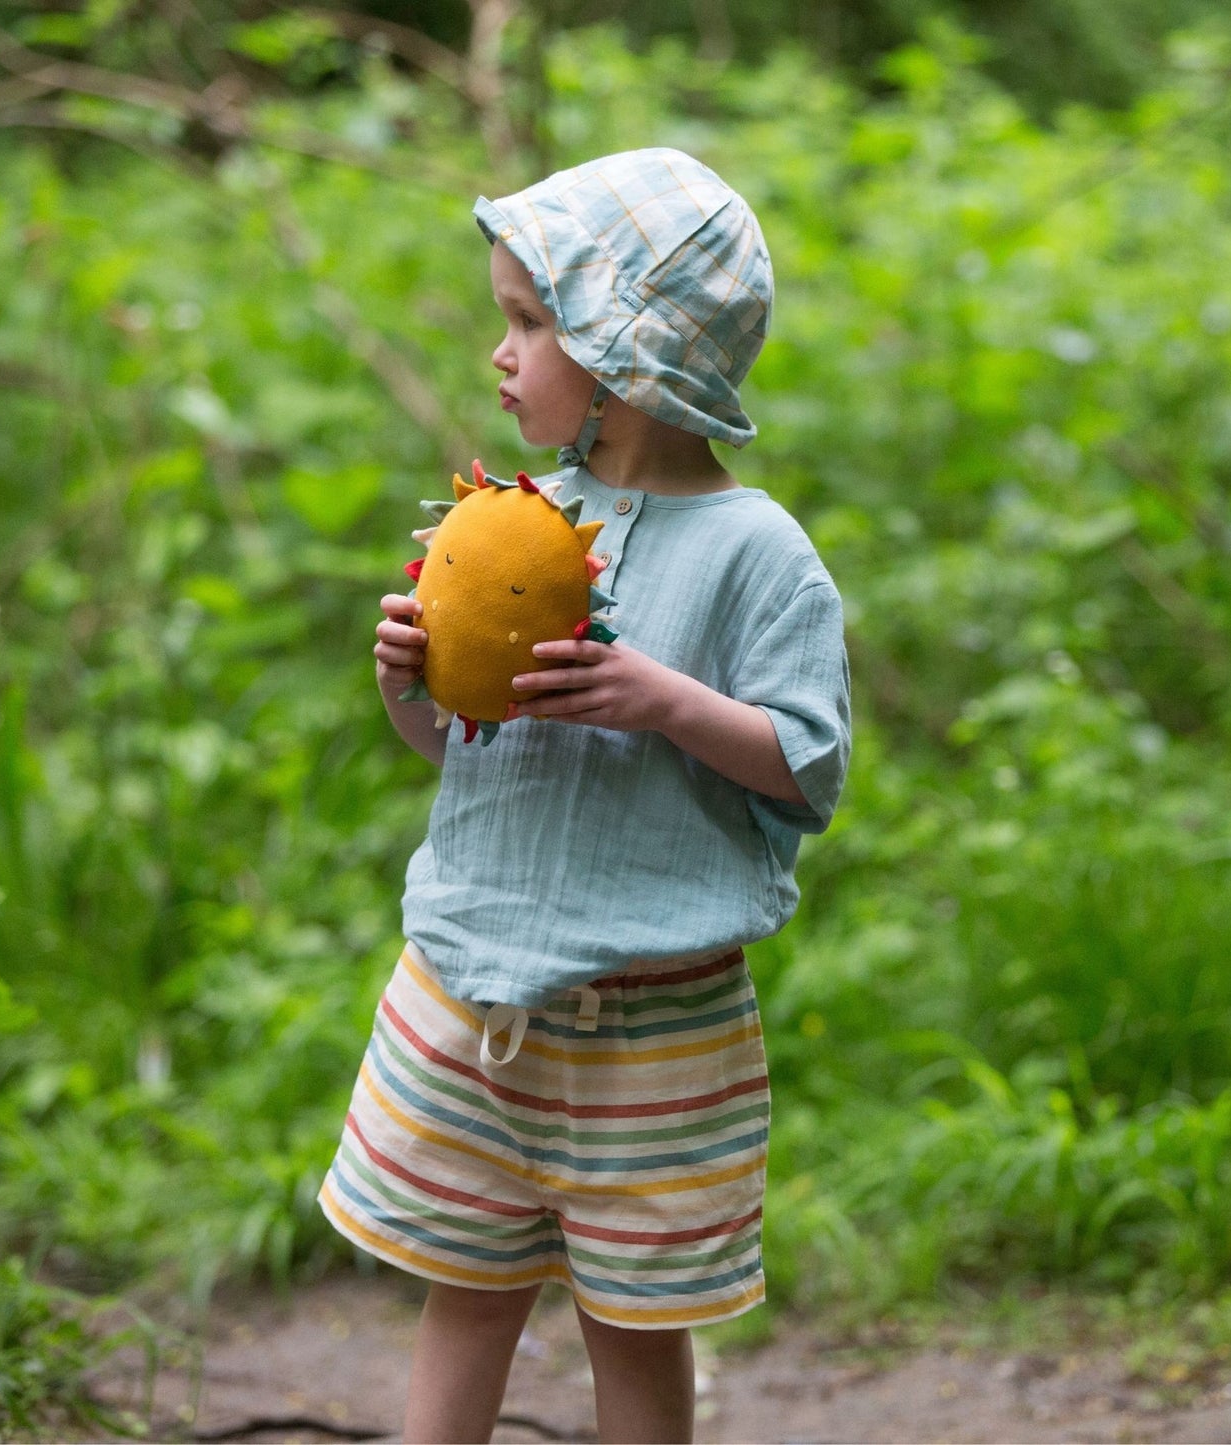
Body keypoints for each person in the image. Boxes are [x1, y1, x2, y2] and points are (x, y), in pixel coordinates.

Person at [319, 147, 850, 1444]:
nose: (499, 354)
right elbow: (475, 758)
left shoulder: (758, 555)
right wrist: (409, 687)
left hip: (654, 1032)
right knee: (465, 1289)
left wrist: (663, 699)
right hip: (471, 987)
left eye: (527, 322)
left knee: (637, 1322)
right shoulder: (508, 523)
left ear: (627, 350)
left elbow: (808, 768)